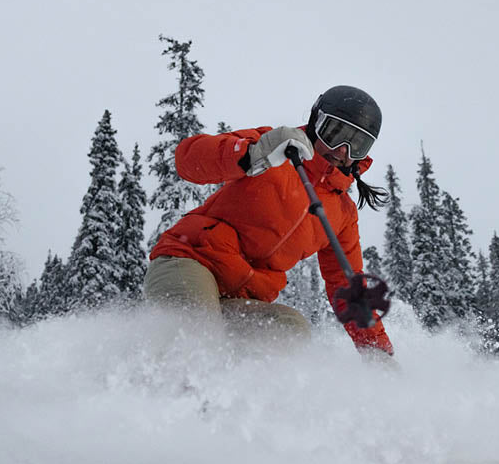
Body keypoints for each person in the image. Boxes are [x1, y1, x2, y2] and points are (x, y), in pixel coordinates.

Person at [144, 85, 393, 355]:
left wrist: (377, 352)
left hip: (238, 298)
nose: (342, 151)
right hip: (191, 262)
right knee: (196, 336)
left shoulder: (341, 213)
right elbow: (188, 159)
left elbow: (347, 285)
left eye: (357, 145)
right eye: (335, 134)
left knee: (289, 330)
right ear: (315, 122)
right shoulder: (274, 149)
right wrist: (253, 155)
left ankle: (242, 395)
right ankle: (144, 385)